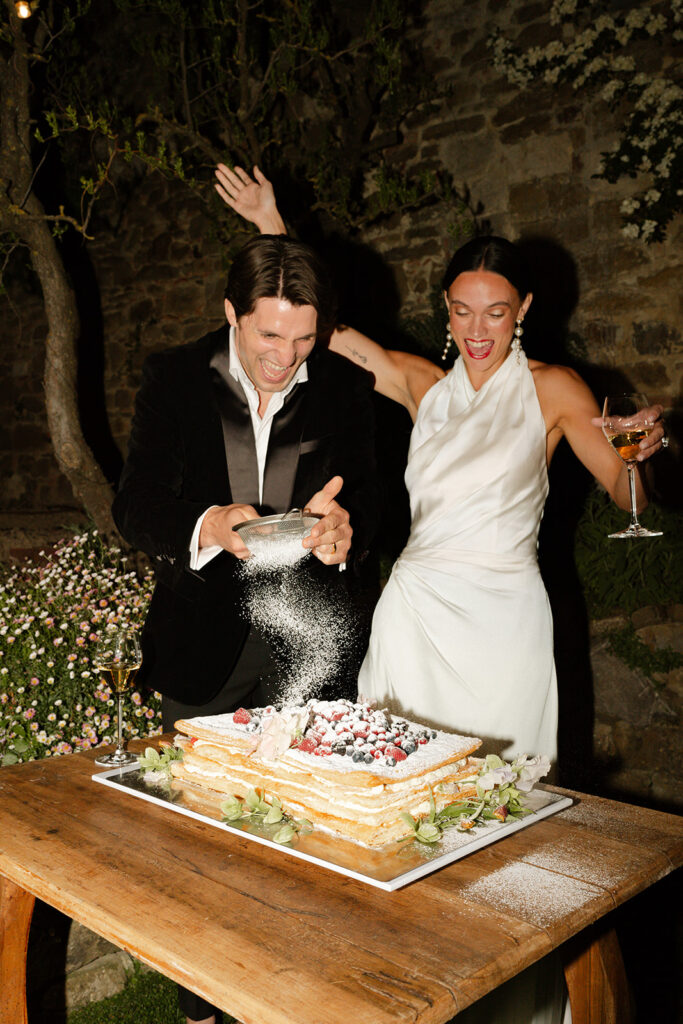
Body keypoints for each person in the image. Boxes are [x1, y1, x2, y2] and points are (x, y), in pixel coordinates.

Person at [214, 166, 665, 1024]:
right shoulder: (424, 385)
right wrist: (275, 226)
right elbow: (332, 335)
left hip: (504, 625)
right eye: (462, 309)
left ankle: (512, 1000)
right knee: (396, 806)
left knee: (500, 821)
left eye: (496, 310)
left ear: (523, 309)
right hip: (415, 617)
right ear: (447, 312)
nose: (478, 327)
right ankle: (404, 993)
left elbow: (623, 492)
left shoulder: (555, 390)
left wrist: (639, 459)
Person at [113, 233, 378, 1024]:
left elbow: (377, 499)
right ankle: (203, 1009)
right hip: (203, 644)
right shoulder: (173, 377)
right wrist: (208, 521)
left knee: (305, 841)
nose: (285, 357)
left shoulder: (342, 385)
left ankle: (289, 997)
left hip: (312, 646)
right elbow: (135, 504)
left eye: (302, 339)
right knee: (199, 847)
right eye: (269, 336)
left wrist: (346, 532)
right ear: (231, 313)